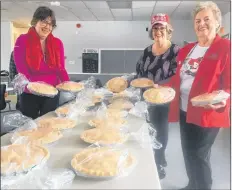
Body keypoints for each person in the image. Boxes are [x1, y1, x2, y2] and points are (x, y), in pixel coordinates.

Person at [164, 2, 230, 189]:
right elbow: (179, 79)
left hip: (208, 111)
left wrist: (221, 100)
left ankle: (203, 186)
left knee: (200, 154)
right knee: (188, 151)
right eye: (197, 20)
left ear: (217, 22)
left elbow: (229, 85)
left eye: (207, 19)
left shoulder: (226, 47)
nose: (201, 23)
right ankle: (192, 183)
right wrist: (159, 87)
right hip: (185, 110)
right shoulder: (186, 50)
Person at [136, 13, 180, 179]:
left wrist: (160, 85)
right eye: (155, 28)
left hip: (163, 100)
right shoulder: (147, 51)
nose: (158, 31)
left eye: (162, 27)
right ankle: (149, 161)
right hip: (146, 98)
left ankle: (160, 163)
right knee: (147, 130)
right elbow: (139, 72)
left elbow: (178, 74)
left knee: (160, 132)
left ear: (168, 30)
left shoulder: (175, 51)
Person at [14, 6, 69, 119]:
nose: (47, 26)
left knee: (48, 123)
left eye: (51, 24)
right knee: (30, 125)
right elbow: (22, 69)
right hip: (30, 92)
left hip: (52, 92)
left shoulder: (57, 43)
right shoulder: (22, 40)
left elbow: (61, 69)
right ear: (35, 22)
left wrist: (68, 85)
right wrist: (36, 87)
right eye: (44, 22)